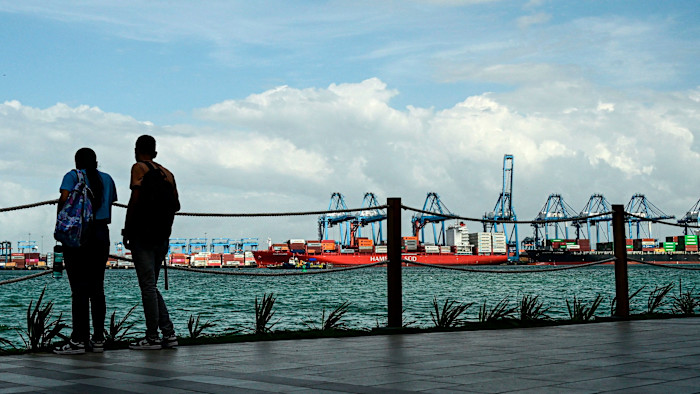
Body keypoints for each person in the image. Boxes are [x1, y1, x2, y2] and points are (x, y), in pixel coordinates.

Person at [54, 148, 118, 355]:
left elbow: (64, 200)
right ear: (96, 162)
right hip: (101, 234)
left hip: (79, 235)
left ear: (76, 161)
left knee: (79, 289)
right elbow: (110, 204)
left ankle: (79, 340)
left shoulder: (72, 176)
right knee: (97, 289)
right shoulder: (107, 179)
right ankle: (98, 339)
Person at [123, 135, 180, 350]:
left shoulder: (138, 168)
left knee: (147, 287)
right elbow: (176, 205)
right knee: (151, 286)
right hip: (162, 236)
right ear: (155, 152)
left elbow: (135, 199)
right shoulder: (168, 174)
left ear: (136, 149)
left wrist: (127, 230)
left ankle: (152, 337)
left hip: (143, 235)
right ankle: (168, 333)